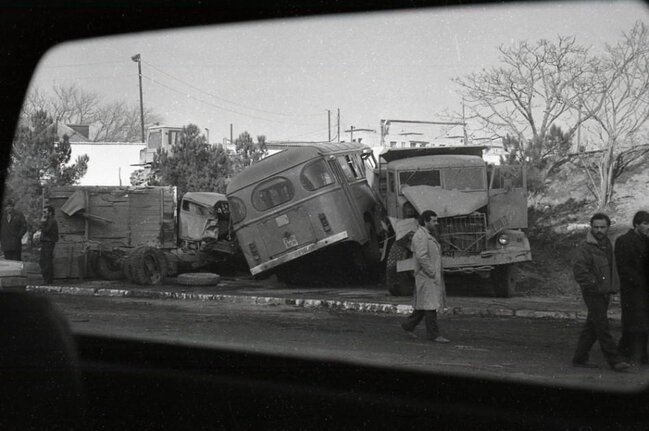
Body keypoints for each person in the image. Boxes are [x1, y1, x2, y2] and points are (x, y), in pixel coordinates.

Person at [572, 212, 630, 371]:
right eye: (596, 227)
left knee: (593, 325)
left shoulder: (607, 244)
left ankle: (579, 357)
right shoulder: (585, 247)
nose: (599, 230)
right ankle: (614, 360)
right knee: (602, 326)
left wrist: (610, 287)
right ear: (591, 227)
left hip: (604, 292)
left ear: (608, 228)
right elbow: (580, 271)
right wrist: (594, 285)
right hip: (592, 292)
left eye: (602, 227)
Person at [401, 210, 449, 343]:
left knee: (425, 304)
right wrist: (432, 272)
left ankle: (408, 325)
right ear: (426, 221)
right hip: (426, 275)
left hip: (428, 275)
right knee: (430, 305)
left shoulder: (426, 234)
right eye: (433, 221)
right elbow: (422, 256)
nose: (436, 223)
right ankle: (433, 334)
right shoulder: (421, 236)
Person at [614, 210, 649, 366]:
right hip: (631, 288)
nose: (648, 227)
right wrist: (639, 281)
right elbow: (623, 266)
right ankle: (627, 352)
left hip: (645, 289)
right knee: (631, 320)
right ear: (636, 224)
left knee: (643, 321)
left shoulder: (647, 241)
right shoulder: (623, 240)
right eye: (645, 223)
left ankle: (639, 353)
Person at [39, 205, 59, 285]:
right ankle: (47, 279)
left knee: (46, 261)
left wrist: (42, 223)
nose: (43, 213)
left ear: (50, 213)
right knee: (43, 261)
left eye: (45, 212)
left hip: (49, 243)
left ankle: (48, 280)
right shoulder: (48, 220)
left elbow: (46, 231)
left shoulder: (52, 221)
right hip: (45, 242)